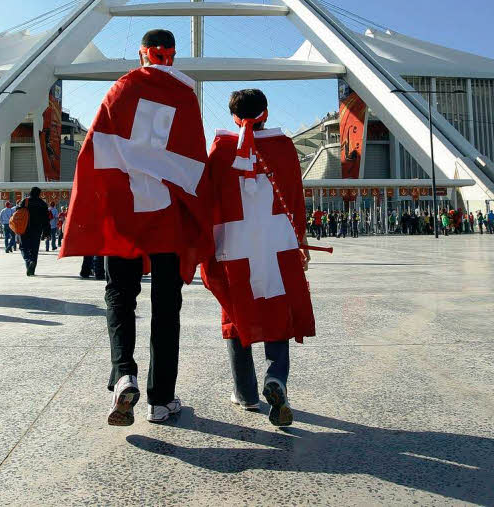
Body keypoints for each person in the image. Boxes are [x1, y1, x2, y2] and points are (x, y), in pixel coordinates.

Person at [59, 29, 213, 426]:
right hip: (165, 216)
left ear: (141, 53)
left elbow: (96, 148)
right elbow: (195, 162)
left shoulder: (122, 89)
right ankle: (161, 400)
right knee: (166, 306)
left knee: (119, 295)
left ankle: (123, 373)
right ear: (172, 56)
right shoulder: (185, 97)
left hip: (125, 214)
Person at [201, 89, 315, 427]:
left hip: (233, 245)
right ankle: (275, 378)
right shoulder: (283, 147)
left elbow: (209, 198)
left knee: (236, 310)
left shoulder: (221, 150)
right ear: (266, 112)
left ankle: (246, 394)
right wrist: (302, 241)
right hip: (276, 242)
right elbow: (295, 197)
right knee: (278, 307)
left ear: (233, 115)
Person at [18, 187, 51, 276]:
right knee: (34, 250)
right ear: (39, 194)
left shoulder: (25, 201)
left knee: (23, 247)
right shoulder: (43, 204)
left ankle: (28, 262)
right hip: (37, 230)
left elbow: (18, 213)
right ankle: (32, 268)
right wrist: (46, 232)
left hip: (25, 228)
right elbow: (46, 220)